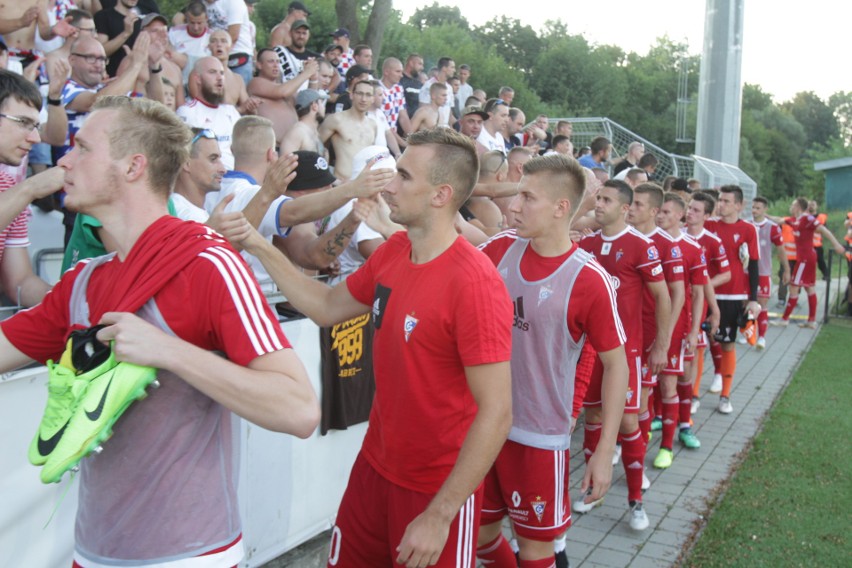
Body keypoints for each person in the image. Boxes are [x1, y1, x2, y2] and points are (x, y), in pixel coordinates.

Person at [1, 95, 320, 566]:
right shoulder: (83, 281)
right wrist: (23, 194)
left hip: (190, 556)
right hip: (93, 552)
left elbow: (298, 410)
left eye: (83, 148)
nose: (64, 159)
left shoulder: (210, 266)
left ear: (133, 166)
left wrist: (169, 351)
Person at [239, 127, 513, 567]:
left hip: (434, 489)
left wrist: (441, 514)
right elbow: (327, 307)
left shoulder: (476, 284)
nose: (388, 185)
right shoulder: (394, 251)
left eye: (403, 176)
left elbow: (497, 412)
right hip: (373, 470)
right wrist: (257, 244)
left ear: (441, 195)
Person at [475, 156, 628, 567]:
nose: (513, 206)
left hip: (539, 437)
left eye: (527, 197)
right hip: (485, 426)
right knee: (480, 536)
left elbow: (617, 364)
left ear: (562, 208)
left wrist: (603, 449)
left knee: (537, 550)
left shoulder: (588, 278)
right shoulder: (501, 248)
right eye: (516, 195)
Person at [575, 179, 672, 531]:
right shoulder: (586, 243)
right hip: (590, 350)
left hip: (626, 351)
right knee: (594, 417)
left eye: (606, 200)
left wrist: (660, 345)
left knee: (629, 422)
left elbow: (662, 297)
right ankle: (592, 490)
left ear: (625, 208)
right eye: (597, 198)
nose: (598, 204)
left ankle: (635, 500)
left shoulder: (641, 246)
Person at [0, 70, 65, 307]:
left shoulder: (9, 187)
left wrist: (74, 303)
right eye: (24, 123)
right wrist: (30, 189)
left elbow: (20, 282)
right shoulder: (21, 191)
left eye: (36, 125)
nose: (36, 138)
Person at [651, 193, 707, 468]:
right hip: (647, 324)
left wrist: (694, 329)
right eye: (658, 211)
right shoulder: (648, 242)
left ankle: (671, 442)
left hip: (675, 327)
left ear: (680, 216)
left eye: (666, 212)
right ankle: (635, 440)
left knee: (671, 381)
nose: (660, 216)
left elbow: (697, 294)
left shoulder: (692, 247)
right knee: (647, 385)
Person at [704, 185, 761, 414]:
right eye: (720, 200)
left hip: (732, 294)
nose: (721, 204)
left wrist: (753, 299)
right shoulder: (709, 225)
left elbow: (754, 263)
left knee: (726, 341)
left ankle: (725, 395)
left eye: (727, 201)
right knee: (703, 342)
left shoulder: (748, 230)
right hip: (706, 292)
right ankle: (695, 395)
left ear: (739, 205)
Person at [769, 197, 845, 327]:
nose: (790, 207)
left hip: (806, 259)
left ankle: (785, 319)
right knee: (809, 287)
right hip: (805, 258)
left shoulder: (807, 219)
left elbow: (823, 230)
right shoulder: (795, 220)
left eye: (793, 205)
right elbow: (778, 219)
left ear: (798, 207)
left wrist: (836, 244)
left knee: (794, 287)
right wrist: (762, 214)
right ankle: (811, 321)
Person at [318, 79, 378, 180]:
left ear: (373, 99)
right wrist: (326, 175)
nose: (363, 99)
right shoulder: (336, 119)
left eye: (368, 95)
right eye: (360, 93)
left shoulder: (373, 125)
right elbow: (314, 146)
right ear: (351, 95)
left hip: (363, 186)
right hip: (340, 184)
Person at [750, 196, 789, 348]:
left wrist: (786, 269)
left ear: (765, 209)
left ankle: (762, 337)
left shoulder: (772, 227)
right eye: (753, 207)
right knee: (747, 304)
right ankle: (750, 333)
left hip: (763, 272)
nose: (754, 210)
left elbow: (781, 249)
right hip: (746, 271)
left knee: (762, 303)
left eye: (758, 208)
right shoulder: (746, 224)